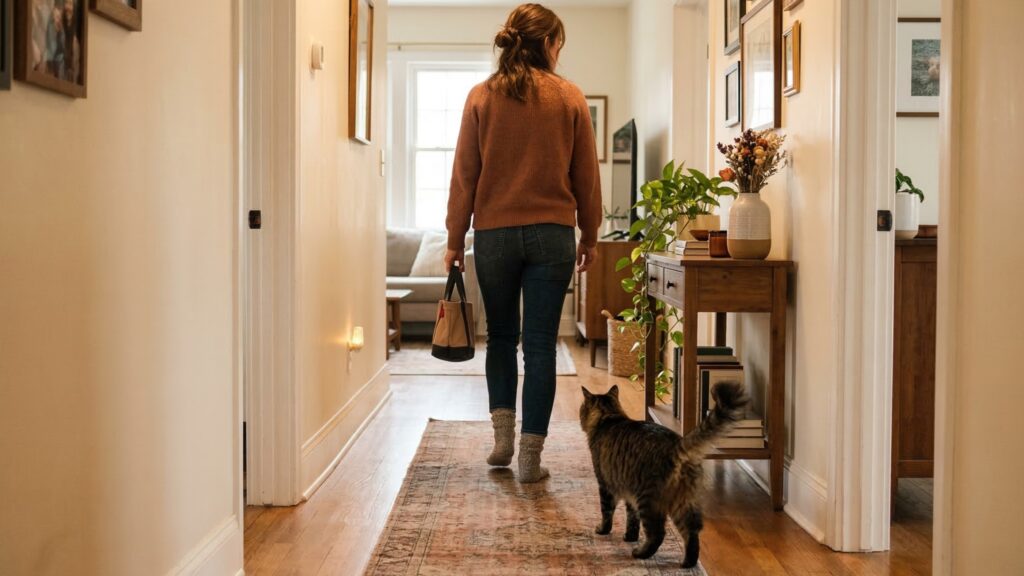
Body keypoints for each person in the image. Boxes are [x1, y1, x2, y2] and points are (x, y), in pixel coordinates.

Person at [444, 3, 601, 483]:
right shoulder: (569, 96)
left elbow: (464, 178)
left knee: (502, 339)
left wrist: (454, 238)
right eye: (559, 43)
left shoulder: (481, 97)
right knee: (539, 345)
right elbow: (586, 178)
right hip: (552, 234)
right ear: (548, 44)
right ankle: (531, 457)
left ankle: (502, 440)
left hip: (492, 235)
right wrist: (590, 234)